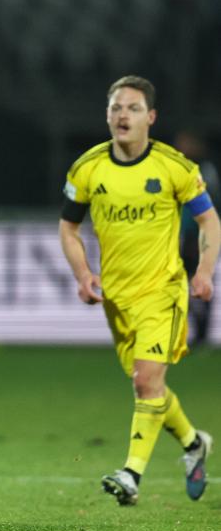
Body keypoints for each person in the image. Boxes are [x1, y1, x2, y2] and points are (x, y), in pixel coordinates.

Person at [58, 75, 219, 505]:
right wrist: (82, 273)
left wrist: (203, 271)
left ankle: (131, 474)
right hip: (118, 297)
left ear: (150, 117)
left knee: (147, 381)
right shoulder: (89, 167)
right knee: (149, 387)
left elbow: (209, 221)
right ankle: (192, 443)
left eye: (131, 108)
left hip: (164, 291)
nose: (121, 115)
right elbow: (68, 227)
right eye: (114, 108)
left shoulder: (175, 167)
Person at [175, 130, 221, 348]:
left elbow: (211, 203)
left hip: (198, 236)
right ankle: (196, 331)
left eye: (185, 142)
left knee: (199, 279)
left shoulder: (204, 170)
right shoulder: (179, 169)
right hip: (184, 235)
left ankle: (203, 332)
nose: (181, 147)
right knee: (182, 282)